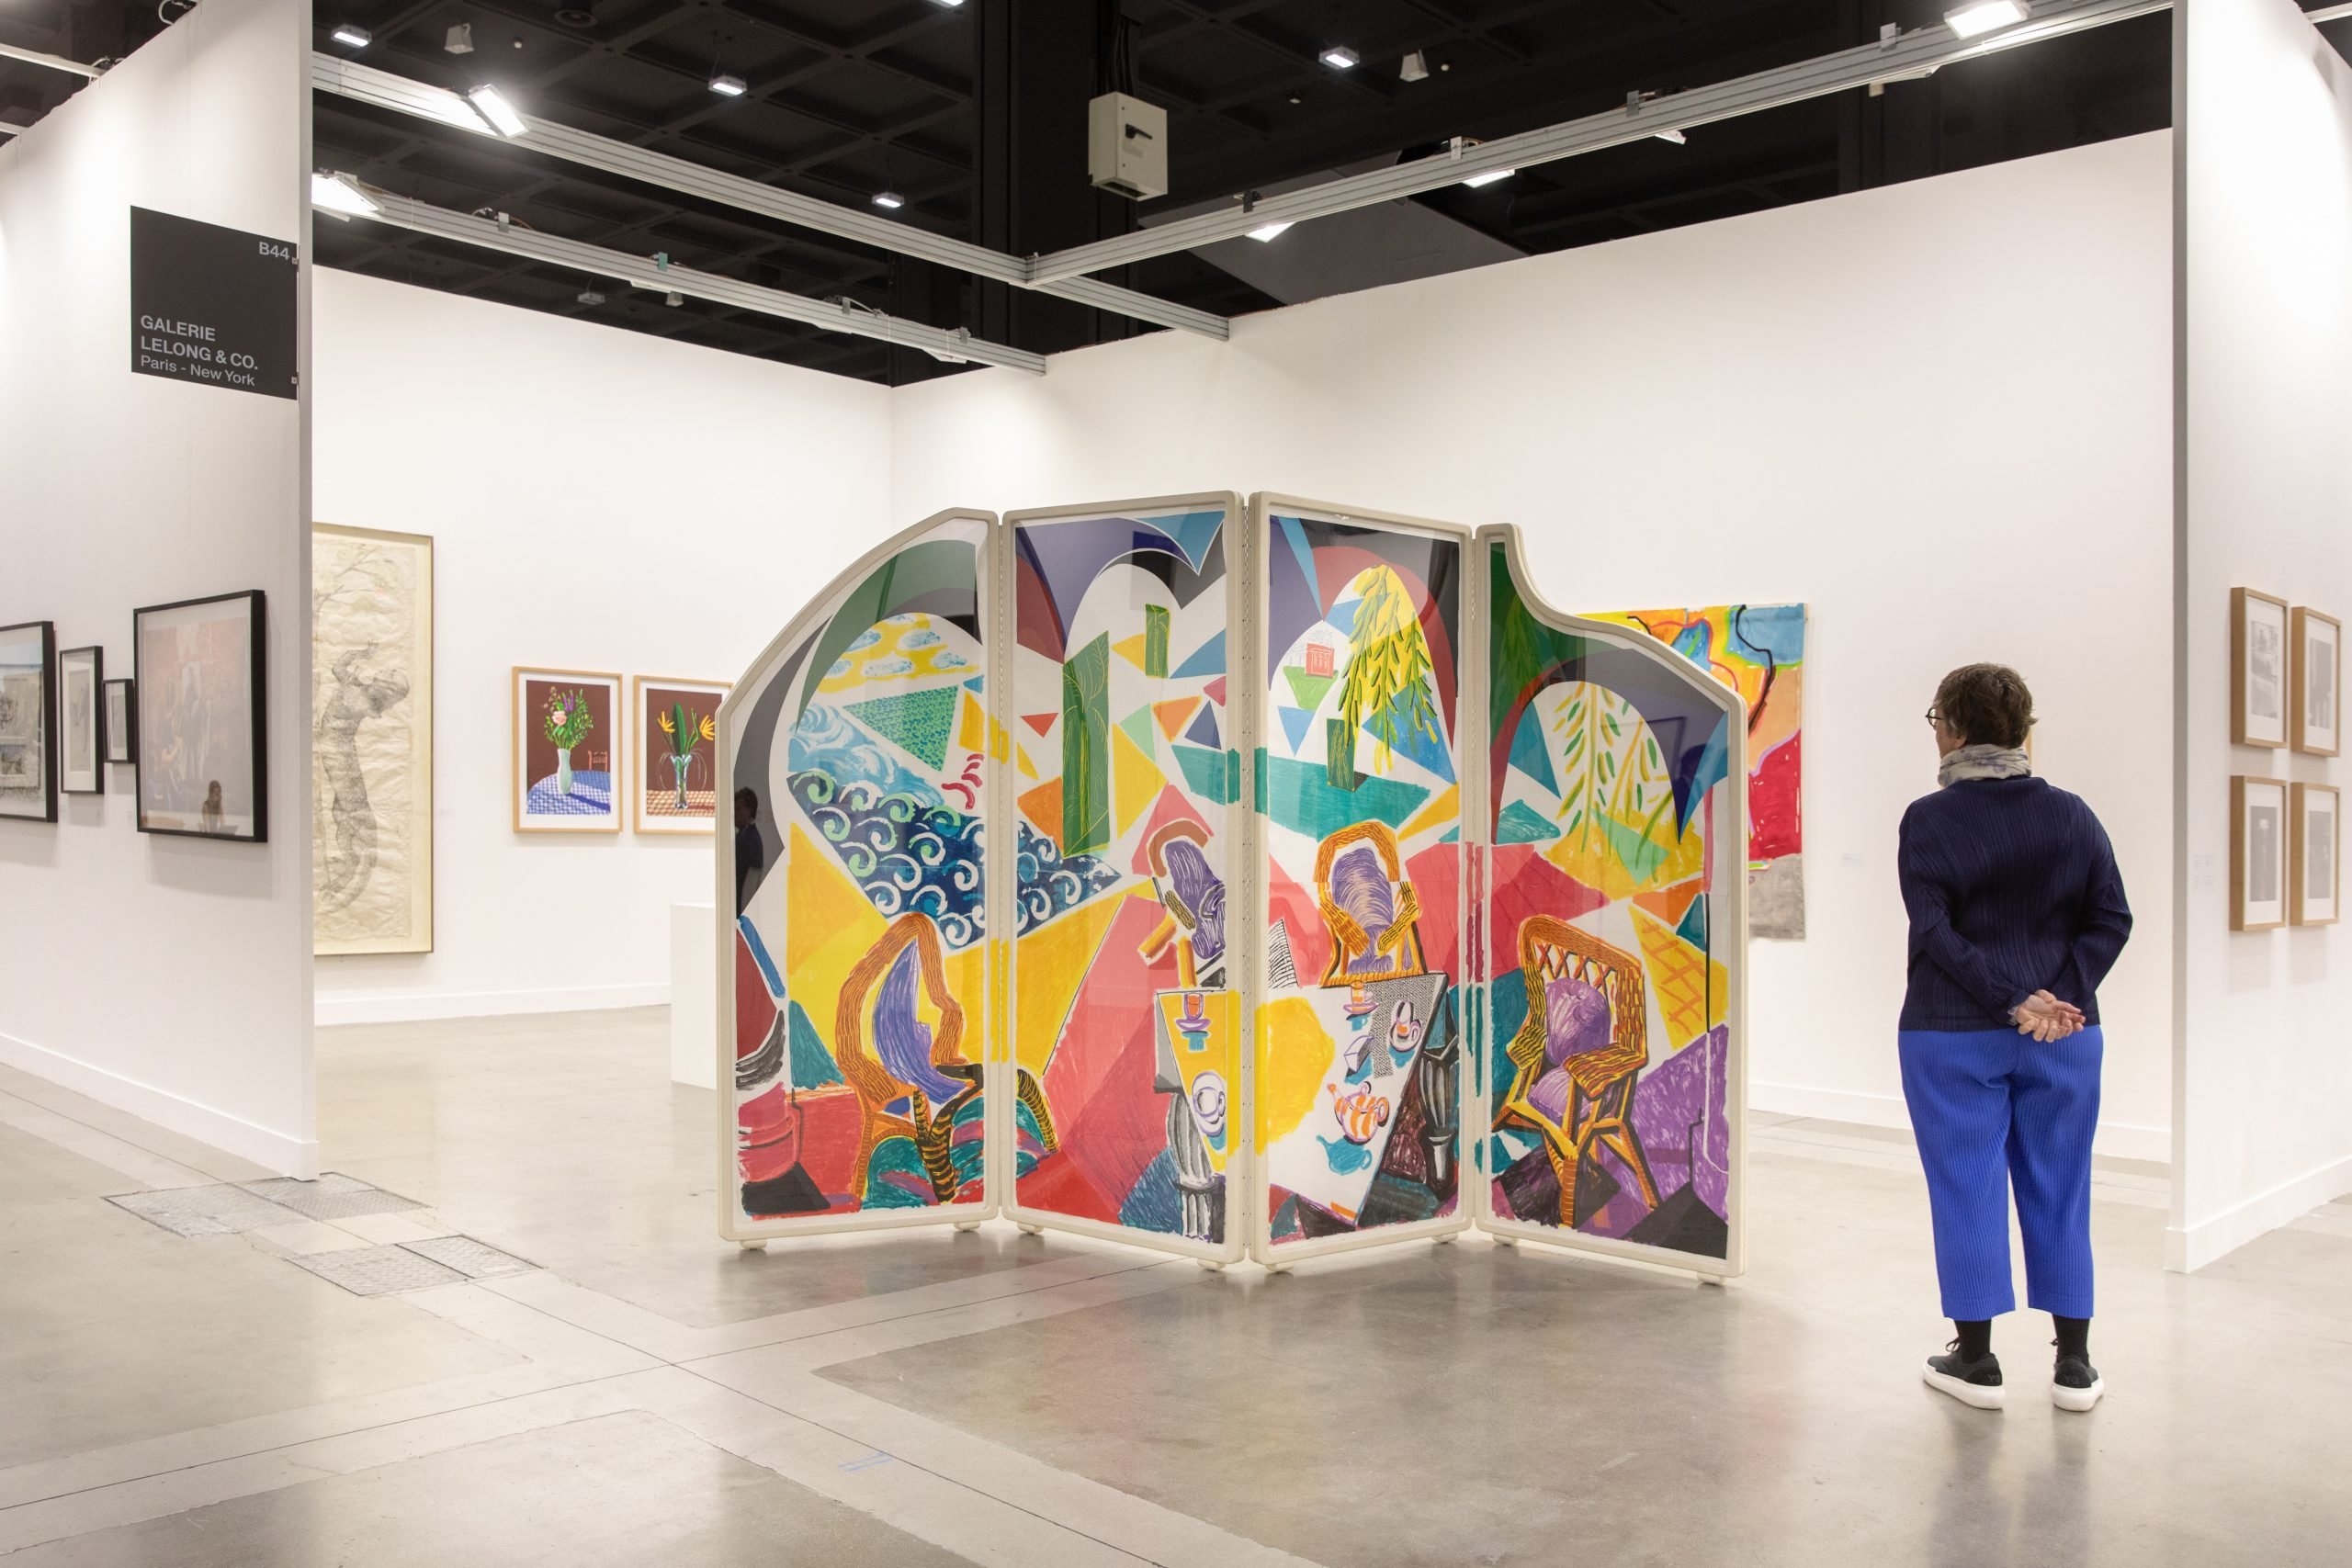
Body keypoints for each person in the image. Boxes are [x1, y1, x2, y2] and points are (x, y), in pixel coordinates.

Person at [1898, 663, 2131, 1414]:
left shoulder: (1928, 820)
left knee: (1964, 1187)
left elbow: (1934, 930)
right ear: (2023, 730)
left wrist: (2011, 998)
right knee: (2062, 1188)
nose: (1933, 729)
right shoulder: (2073, 815)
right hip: (2063, 1036)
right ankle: (2075, 1366)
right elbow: (2112, 919)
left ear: (1956, 729)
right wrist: (2054, 997)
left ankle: (1975, 1360)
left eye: (1936, 717)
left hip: (1950, 1033)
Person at [735, 786, 765, 914]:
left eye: (738, 809)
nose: (734, 813)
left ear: (749, 810)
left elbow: (749, 887)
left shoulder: (748, 839)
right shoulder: (746, 836)